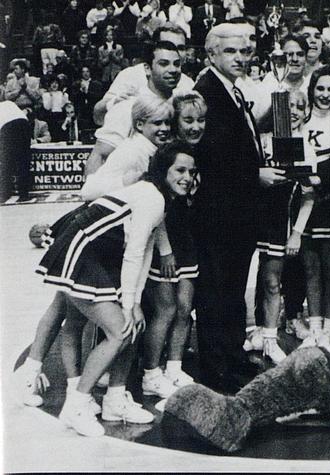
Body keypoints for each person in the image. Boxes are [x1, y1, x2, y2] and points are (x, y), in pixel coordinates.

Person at [16, 141, 196, 437]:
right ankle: (76, 404)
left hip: (100, 255)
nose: (187, 177)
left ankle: (115, 399)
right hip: (82, 251)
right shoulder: (153, 198)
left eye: (191, 172)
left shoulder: (158, 197)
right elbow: (134, 252)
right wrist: (128, 304)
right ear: (163, 170)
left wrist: (135, 301)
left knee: (132, 326)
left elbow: (146, 250)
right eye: (180, 170)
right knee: (120, 330)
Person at [191, 22, 285, 392]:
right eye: (231, 51)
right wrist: (256, 173)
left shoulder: (231, 89)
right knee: (217, 291)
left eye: (245, 52)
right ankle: (216, 366)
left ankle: (229, 357)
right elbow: (214, 157)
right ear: (211, 53)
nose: (240, 58)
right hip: (218, 213)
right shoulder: (206, 92)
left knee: (231, 291)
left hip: (237, 214)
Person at [143, 92, 207, 396]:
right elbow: (159, 214)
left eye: (200, 120)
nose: (195, 126)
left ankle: (174, 367)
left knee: (184, 308)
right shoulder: (162, 161)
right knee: (165, 310)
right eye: (188, 120)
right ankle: (150, 373)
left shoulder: (197, 157)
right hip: (163, 247)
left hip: (189, 244)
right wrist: (165, 250)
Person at [248, 90, 317, 363]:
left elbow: (309, 194)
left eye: (299, 107)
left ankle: (269, 339)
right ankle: (255, 331)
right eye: (287, 108)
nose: (294, 112)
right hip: (252, 219)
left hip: (280, 221)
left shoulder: (304, 145)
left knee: (272, 281)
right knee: (252, 278)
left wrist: (297, 232)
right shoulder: (260, 141)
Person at [290, 66, 330, 342]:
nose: (325, 94)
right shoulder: (301, 121)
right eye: (320, 88)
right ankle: (314, 325)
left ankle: (329, 327)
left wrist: (322, 180)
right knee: (310, 268)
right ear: (312, 90)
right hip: (304, 203)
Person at [86, 40, 184, 175]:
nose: (173, 70)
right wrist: (92, 193)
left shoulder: (180, 104)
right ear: (147, 68)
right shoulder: (128, 106)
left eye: (177, 64)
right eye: (163, 64)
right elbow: (100, 156)